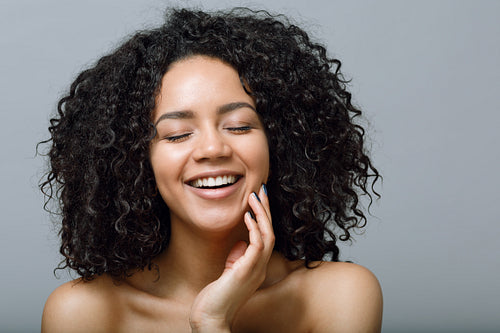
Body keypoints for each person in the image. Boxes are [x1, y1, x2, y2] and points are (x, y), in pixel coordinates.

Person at [40, 7, 382, 332]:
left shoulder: (340, 296)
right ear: (135, 160)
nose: (212, 149)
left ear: (279, 144)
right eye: (177, 134)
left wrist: (212, 323)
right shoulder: (83, 313)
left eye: (239, 126)